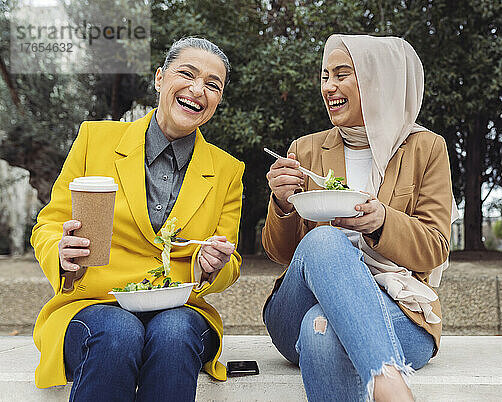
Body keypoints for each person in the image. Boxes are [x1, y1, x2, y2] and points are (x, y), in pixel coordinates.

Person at [31, 37, 244, 401]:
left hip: (182, 310)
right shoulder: (93, 139)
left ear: (218, 100)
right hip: (92, 304)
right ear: (160, 78)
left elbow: (229, 259)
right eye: (187, 74)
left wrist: (210, 267)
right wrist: (60, 252)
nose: (198, 90)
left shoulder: (228, 170)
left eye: (212, 84)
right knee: (118, 332)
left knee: (174, 333)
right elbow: (49, 224)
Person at [262, 34, 458, 402]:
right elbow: (282, 254)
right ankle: (390, 384)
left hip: (399, 308)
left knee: (320, 330)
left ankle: (382, 373)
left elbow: (435, 248)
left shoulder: (426, 148)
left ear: (377, 79)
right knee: (323, 239)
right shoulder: (304, 150)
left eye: (341, 74)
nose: (328, 86)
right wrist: (283, 205)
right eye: (324, 76)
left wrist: (382, 221)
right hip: (296, 305)